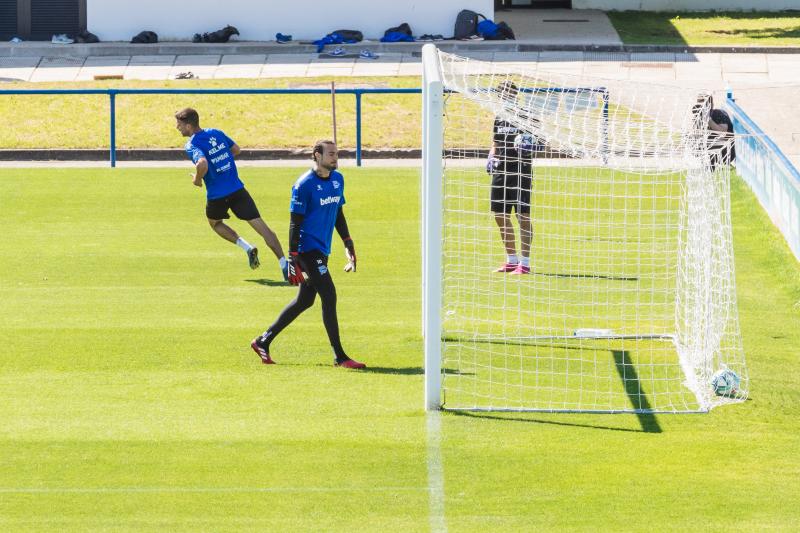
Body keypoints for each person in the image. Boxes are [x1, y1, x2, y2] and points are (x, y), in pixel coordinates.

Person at [251, 140, 366, 369]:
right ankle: (340, 357)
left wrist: (348, 241)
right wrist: (293, 258)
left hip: (323, 249)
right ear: (317, 155)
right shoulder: (304, 185)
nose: (335, 158)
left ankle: (263, 341)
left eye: (337, 154)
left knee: (304, 300)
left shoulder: (337, 180)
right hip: (306, 250)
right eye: (331, 154)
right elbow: (295, 224)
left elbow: (338, 212)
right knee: (329, 295)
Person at [175, 107, 287, 276]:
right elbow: (236, 149)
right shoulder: (216, 133)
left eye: (179, 124)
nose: (177, 128)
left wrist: (197, 180)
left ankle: (247, 247)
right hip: (237, 190)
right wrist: (221, 161)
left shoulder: (192, 144)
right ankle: (285, 265)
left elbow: (202, 164)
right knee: (264, 229)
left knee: (215, 223)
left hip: (217, 196)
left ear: (189, 126)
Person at [487, 81, 536, 275]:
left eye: (509, 94)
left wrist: (528, 146)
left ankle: (524, 263)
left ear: (516, 95)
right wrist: (491, 156)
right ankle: (511, 260)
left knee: (522, 215)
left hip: (521, 171)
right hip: (501, 171)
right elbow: (496, 141)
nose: (506, 97)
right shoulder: (499, 117)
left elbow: (541, 143)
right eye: (503, 94)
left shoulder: (526, 115)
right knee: (500, 215)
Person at [693, 93, 736, 171]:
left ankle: (716, 165)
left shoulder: (719, 113)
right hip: (712, 148)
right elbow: (698, 135)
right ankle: (708, 166)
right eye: (699, 104)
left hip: (727, 149)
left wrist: (708, 119)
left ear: (711, 105)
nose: (701, 107)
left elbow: (723, 133)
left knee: (709, 142)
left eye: (703, 104)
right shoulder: (700, 117)